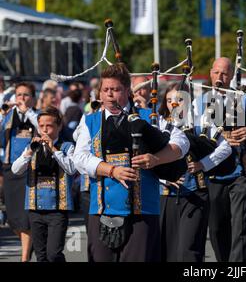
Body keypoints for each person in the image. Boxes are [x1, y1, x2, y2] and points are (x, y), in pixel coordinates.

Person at [72, 63, 189, 262]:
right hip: (101, 209)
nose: (110, 95)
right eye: (105, 90)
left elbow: (181, 142)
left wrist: (156, 159)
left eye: (115, 90)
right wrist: (112, 171)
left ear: (127, 91)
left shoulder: (149, 117)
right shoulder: (89, 121)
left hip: (143, 210)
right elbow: (80, 158)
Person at [158, 83, 232, 262]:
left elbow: (226, 148)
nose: (174, 105)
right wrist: (163, 179)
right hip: (166, 195)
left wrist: (202, 164)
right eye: (169, 100)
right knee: (167, 250)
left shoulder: (200, 122)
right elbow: (149, 157)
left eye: (179, 100)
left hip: (196, 193)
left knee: (189, 250)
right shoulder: (160, 124)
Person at [195, 57, 246, 262]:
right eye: (216, 73)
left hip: (241, 171)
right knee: (217, 227)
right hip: (213, 171)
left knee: (240, 227)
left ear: (231, 75)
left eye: (224, 73)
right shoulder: (198, 101)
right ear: (210, 73)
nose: (220, 77)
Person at [11, 107, 76, 262]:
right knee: (41, 256)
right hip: (35, 208)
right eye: (41, 126)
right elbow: (15, 170)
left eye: (49, 126)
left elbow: (71, 168)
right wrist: (28, 153)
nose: (45, 130)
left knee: (53, 254)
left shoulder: (67, 147)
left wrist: (53, 149)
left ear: (59, 126)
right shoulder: (31, 146)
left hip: (58, 209)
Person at [0, 82, 39, 262]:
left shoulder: (37, 115)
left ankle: (24, 258)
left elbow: (42, 129)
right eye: (19, 95)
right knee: (13, 219)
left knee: (24, 218)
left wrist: (28, 112)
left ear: (33, 98)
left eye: (25, 95)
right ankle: (30, 245)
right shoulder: (8, 116)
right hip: (9, 169)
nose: (21, 99)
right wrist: (3, 114)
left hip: (30, 169)